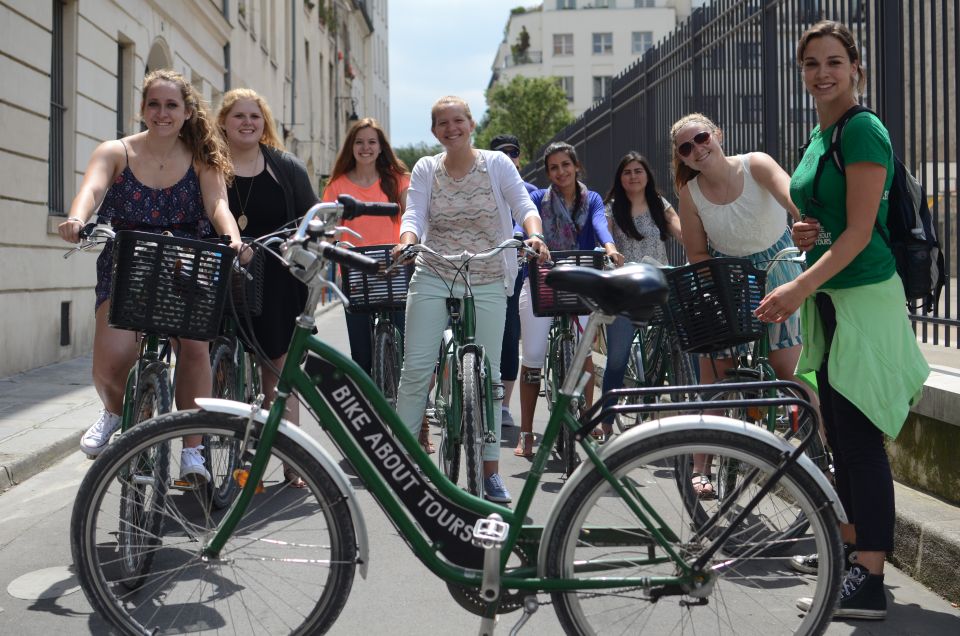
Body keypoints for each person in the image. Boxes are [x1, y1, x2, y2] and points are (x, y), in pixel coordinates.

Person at [759, 20, 928, 619]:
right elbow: (827, 215)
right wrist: (805, 228)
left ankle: (872, 579)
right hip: (831, 299)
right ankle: (854, 554)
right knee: (837, 433)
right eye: (811, 64)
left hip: (862, 297)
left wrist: (794, 289)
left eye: (834, 62)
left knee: (859, 443)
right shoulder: (820, 133)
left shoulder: (862, 130)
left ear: (856, 68)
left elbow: (861, 232)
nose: (822, 73)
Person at [58, 69, 244, 482]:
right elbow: (91, 189)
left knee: (195, 349)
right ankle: (116, 412)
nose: (162, 113)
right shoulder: (116, 151)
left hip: (186, 263)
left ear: (187, 111)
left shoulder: (202, 159)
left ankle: (192, 453)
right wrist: (76, 217)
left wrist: (230, 236)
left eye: (171, 105)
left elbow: (218, 206)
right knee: (109, 367)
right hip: (127, 263)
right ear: (142, 109)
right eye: (154, 104)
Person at [392, 96, 548, 503]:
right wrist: (407, 241)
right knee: (416, 369)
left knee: (492, 375)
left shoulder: (495, 163)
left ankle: (491, 471)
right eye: (442, 123)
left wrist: (534, 234)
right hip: (434, 269)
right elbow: (414, 215)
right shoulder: (427, 168)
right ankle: (402, 465)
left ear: (471, 123)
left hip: (488, 271)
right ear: (434, 131)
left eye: (457, 120)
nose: (451, 128)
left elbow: (524, 205)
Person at [670, 112, 808, 498]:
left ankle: (823, 454)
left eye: (700, 139)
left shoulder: (756, 163)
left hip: (779, 267)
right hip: (726, 276)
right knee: (717, 373)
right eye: (686, 148)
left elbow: (793, 201)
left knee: (790, 370)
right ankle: (702, 466)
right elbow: (697, 253)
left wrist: (803, 226)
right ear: (681, 158)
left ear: (717, 134)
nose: (697, 149)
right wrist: (718, 289)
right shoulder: (690, 193)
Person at [216, 87, 320, 488]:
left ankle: (292, 460)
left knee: (276, 371)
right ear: (223, 121)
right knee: (214, 363)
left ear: (264, 124)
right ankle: (213, 457)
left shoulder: (284, 165)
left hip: (275, 274)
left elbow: (309, 216)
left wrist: (303, 246)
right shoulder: (211, 164)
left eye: (254, 116)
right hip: (224, 270)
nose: (247, 122)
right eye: (239, 116)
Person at [514, 141, 621, 458]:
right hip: (540, 281)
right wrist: (525, 240)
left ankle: (586, 422)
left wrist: (611, 248)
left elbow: (601, 225)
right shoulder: (537, 199)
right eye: (553, 167)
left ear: (577, 167)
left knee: (584, 350)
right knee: (532, 356)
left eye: (565, 165)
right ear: (547, 173)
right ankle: (527, 433)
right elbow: (524, 225)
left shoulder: (594, 200)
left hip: (582, 281)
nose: (560, 172)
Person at [322, 118, 415, 445]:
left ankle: (415, 427)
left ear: (381, 147)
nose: (365, 148)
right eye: (359, 142)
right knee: (361, 356)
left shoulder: (399, 180)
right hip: (357, 270)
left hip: (396, 267)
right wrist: (338, 243)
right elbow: (331, 225)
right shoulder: (337, 185)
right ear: (352, 147)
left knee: (405, 354)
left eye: (371, 142)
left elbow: (413, 215)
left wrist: (409, 243)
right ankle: (368, 431)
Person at [598, 151, 683, 438]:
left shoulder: (660, 204)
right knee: (618, 357)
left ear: (647, 175)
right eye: (627, 172)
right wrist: (610, 252)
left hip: (659, 283)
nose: (633, 176)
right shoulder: (611, 208)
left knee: (683, 342)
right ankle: (607, 419)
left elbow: (681, 231)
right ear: (619, 179)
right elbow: (605, 238)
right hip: (626, 288)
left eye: (638, 171)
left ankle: (691, 410)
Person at [489, 134, 539, 432]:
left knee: (509, 336)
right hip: (479, 267)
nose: (509, 157)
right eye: (502, 153)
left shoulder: (530, 191)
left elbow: (529, 218)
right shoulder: (481, 188)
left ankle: (504, 406)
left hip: (515, 271)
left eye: (514, 152)